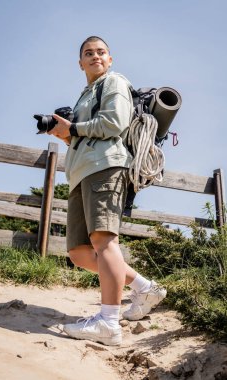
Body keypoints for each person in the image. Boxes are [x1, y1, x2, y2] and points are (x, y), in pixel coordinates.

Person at [48, 36, 166, 346]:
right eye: (89, 53)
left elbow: (114, 123)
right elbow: (87, 133)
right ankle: (144, 287)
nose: (95, 56)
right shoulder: (85, 95)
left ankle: (109, 322)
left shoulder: (113, 81)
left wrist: (74, 128)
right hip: (80, 173)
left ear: (110, 59)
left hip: (106, 166)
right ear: (80, 63)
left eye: (101, 52)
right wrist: (67, 133)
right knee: (79, 253)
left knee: (103, 241)